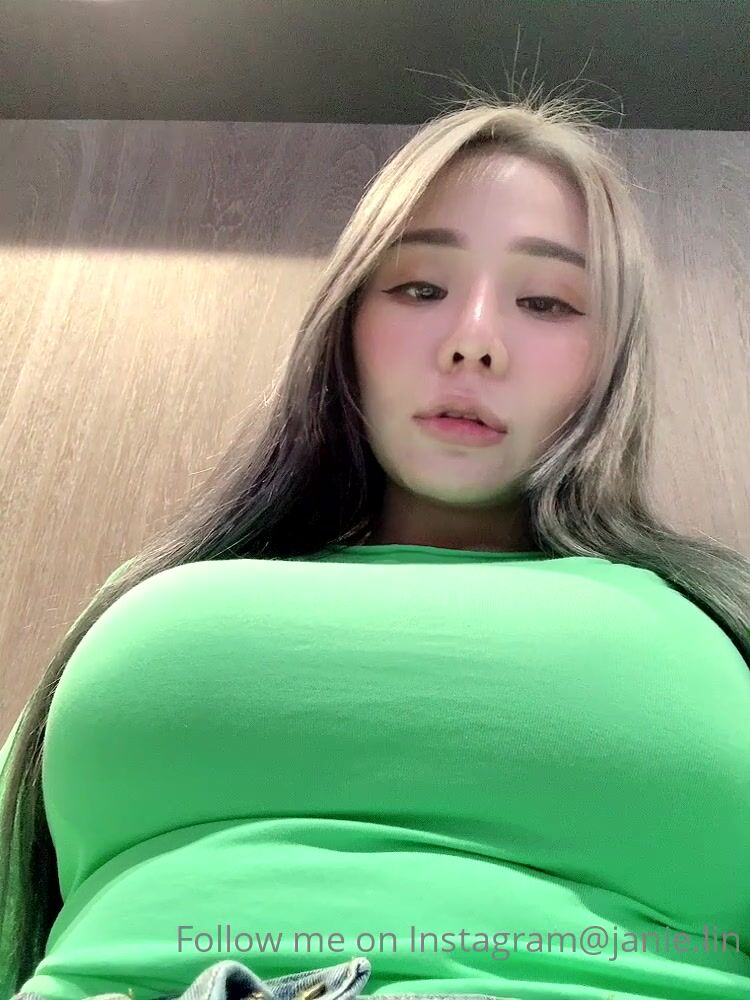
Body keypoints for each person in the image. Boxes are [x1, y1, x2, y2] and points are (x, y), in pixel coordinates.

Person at [2, 84, 750, 1000]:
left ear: (613, 358)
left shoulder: (719, 615)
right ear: (348, 321)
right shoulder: (153, 588)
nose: (474, 342)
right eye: (420, 288)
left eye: (547, 302)